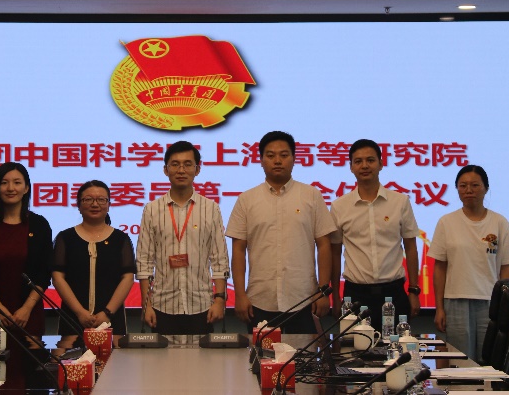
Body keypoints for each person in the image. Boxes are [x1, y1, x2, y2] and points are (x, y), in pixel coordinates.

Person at [226, 131, 336, 334]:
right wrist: (239, 295)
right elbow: (239, 250)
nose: (277, 160)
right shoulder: (246, 200)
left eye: (284, 155)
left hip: (304, 299)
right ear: (261, 160)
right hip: (260, 300)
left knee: (304, 355)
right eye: (270, 155)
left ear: (294, 158)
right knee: (261, 354)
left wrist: (323, 291)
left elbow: (324, 245)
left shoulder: (312, 196)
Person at [136, 141, 230, 335]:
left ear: (197, 169)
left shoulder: (211, 208)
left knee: (202, 355)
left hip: (202, 305)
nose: (181, 170)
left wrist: (220, 300)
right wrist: (147, 304)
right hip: (162, 304)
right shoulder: (152, 210)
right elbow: (144, 261)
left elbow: (219, 258)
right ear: (165, 170)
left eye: (188, 164)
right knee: (161, 356)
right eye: (175, 164)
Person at [429, 165, 509, 362]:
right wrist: (439, 308)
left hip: (490, 302)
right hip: (455, 301)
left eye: (475, 185)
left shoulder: (499, 222)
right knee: (460, 362)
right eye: (463, 186)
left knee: (489, 361)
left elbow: (505, 269)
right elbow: (440, 268)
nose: (468, 190)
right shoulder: (446, 222)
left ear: (486, 188)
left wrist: (506, 308)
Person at [330, 139, 421, 328]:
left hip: (394, 293)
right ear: (351, 167)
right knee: (354, 346)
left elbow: (411, 248)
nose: (364, 166)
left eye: (370, 160)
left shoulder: (400, 202)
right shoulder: (339, 206)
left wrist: (413, 291)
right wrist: (336, 296)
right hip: (355, 295)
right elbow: (335, 254)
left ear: (381, 164)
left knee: (395, 345)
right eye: (358, 161)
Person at [0, 162, 52, 346]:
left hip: (29, 316)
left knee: (30, 363)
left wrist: (26, 308)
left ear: (26, 188)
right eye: (4, 183)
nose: (10, 188)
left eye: (17, 182)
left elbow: (44, 272)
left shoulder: (40, 225)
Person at [52, 181, 135, 343]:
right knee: (72, 358)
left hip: (111, 319)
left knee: (113, 359)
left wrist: (107, 313)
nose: (95, 204)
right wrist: (80, 312)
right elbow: (57, 277)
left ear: (109, 205)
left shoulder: (121, 239)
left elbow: (127, 277)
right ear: (79, 205)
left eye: (101, 200)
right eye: (88, 199)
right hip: (73, 318)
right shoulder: (66, 238)